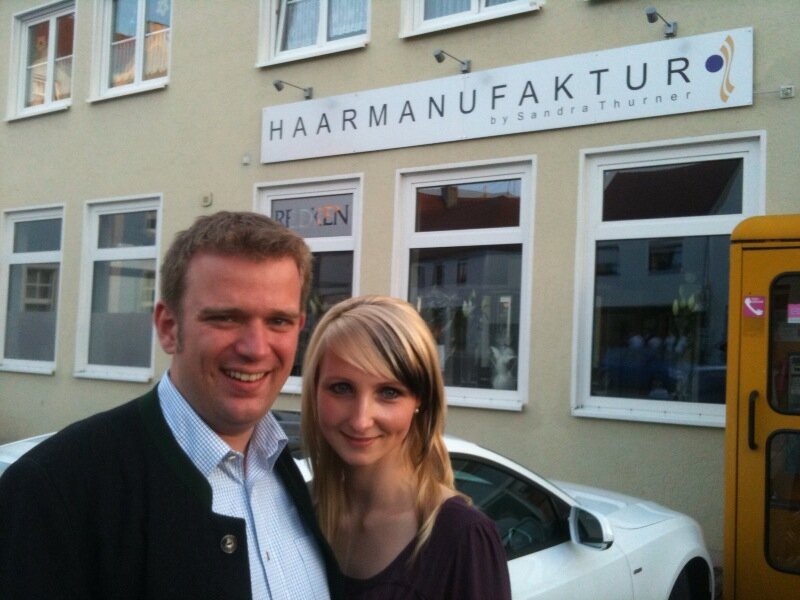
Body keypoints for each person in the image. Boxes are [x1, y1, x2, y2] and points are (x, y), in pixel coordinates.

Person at [0, 211, 342, 600]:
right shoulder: (54, 490)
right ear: (168, 326)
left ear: (298, 329)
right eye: (226, 318)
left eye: (278, 321)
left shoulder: (289, 474)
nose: (256, 349)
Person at [300, 295, 512, 600]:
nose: (361, 420)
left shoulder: (462, 537)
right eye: (342, 388)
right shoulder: (297, 512)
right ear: (314, 391)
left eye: (388, 392)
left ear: (420, 401)